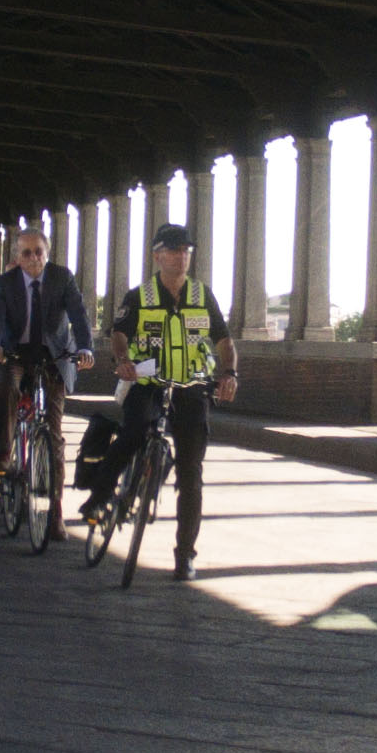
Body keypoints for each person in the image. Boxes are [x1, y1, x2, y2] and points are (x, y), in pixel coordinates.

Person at [77, 222, 236, 580]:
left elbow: (224, 340)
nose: (181, 257)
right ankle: (101, 495)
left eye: (186, 251)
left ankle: (185, 555)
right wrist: (123, 361)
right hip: (148, 382)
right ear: (157, 256)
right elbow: (119, 333)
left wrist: (230, 373)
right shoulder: (139, 296)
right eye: (174, 251)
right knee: (133, 433)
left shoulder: (202, 295)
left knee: (191, 472)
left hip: (191, 387)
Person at [0, 223, 94, 503]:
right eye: (26, 253)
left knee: (54, 432)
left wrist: (86, 347)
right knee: (6, 387)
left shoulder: (62, 278)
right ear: (17, 255)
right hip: (17, 352)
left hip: (54, 356)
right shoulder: (5, 283)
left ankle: (56, 511)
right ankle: (4, 453)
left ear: (47, 253)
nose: (33, 258)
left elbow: (79, 313)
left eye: (38, 252)